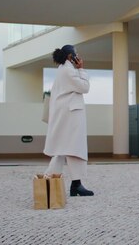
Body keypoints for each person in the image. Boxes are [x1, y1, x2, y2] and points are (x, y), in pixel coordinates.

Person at [43, 44, 94, 196]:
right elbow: (85, 87)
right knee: (72, 148)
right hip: (71, 115)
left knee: (66, 149)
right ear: (71, 57)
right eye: (76, 54)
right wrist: (81, 69)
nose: (79, 56)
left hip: (67, 114)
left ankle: (71, 184)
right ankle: (51, 181)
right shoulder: (69, 71)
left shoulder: (62, 69)